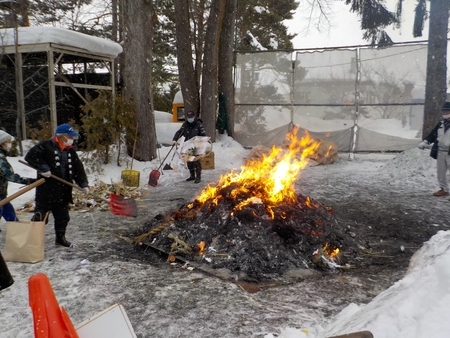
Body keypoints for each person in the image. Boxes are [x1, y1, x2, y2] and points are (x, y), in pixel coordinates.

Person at [25, 123, 90, 248]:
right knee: (41, 217)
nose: (72, 140)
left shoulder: (70, 151)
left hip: (63, 191)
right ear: (62, 136)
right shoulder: (45, 146)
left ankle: (60, 238)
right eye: (70, 137)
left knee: (63, 217)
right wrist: (43, 167)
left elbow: (78, 169)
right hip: (46, 190)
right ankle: (33, 242)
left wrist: (83, 184)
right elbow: (30, 156)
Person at [0, 130, 36, 222]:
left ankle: (17, 232)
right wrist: (29, 181)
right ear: (2, 143)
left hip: (2, 194)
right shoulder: (0, 159)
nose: (9, 144)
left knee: (10, 215)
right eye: (7, 142)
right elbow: (9, 175)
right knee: (8, 213)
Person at [418, 101, 450, 197]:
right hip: (440, 151)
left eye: (447, 111)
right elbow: (432, 135)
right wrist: (426, 142)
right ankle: (443, 189)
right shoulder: (440, 124)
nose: (445, 113)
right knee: (441, 172)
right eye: (443, 112)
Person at [172, 110, 207, 183]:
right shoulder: (185, 125)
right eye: (188, 117)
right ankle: (192, 175)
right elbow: (179, 132)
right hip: (187, 146)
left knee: (196, 161)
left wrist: (199, 142)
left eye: (191, 117)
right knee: (189, 161)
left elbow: (203, 135)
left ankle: (198, 177)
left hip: (196, 146)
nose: (190, 118)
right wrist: (175, 139)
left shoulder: (199, 124)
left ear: (194, 117)